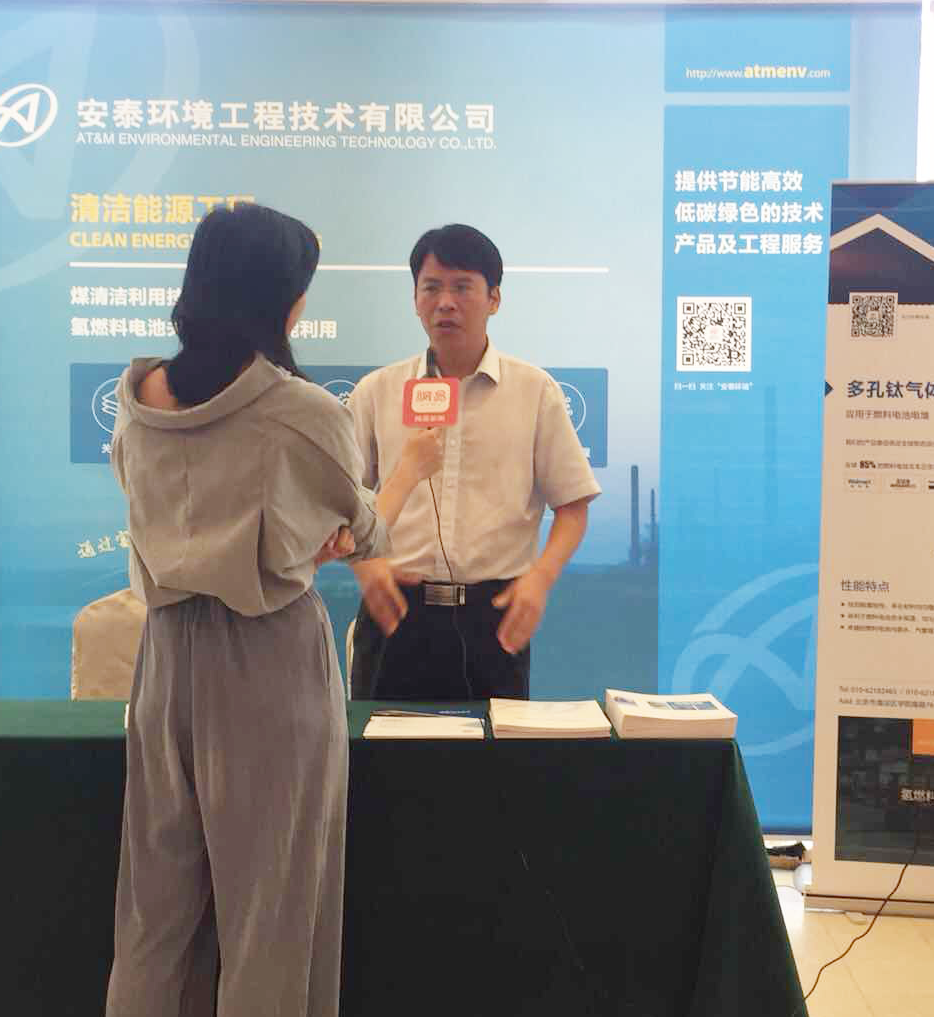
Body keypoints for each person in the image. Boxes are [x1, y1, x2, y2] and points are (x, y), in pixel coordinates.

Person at [104, 203, 440, 1017]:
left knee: (154, 915)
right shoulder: (299, 409)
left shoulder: (138, 396)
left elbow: (180, 515)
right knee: (273, 917)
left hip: (164, 660)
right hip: (268, 663)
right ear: (280, 297)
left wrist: (291, 537)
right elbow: (365, 530)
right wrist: (406, 471)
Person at [347, 224, 601, 701]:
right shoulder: (377, 391)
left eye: (462, 287)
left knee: (496, 751)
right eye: (431, 288)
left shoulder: (534, 391)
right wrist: (367, 568)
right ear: (415, 299)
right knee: (381, 750)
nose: (445, 302)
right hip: (397, 610)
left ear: (494, 298)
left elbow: (573, 506)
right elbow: (344, 506)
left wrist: (539, 580)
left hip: (494, 616)